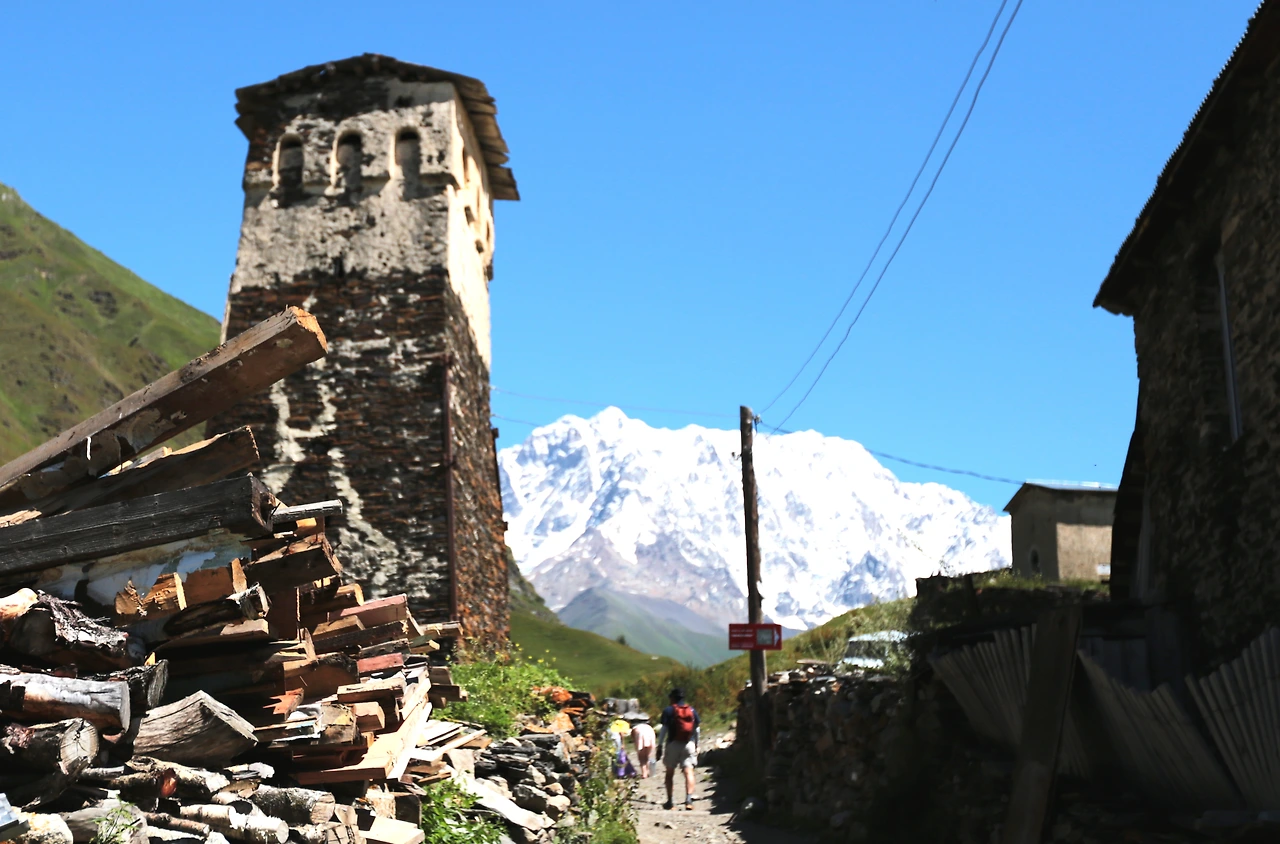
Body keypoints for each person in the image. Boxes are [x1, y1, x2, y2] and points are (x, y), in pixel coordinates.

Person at [655, 688, 700, 810]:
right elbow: (697, 730)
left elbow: (664, 730)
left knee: (670, 773)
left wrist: (660, 746)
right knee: (689, 771)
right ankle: (689, 800)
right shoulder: (692, 710)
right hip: (689, 744)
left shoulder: (668, 710)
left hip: (673, 744)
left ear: (673, 698)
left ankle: (670, 802)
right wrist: (697, 745)